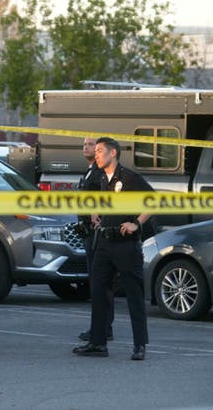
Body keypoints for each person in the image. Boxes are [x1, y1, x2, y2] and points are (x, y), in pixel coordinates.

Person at [73, 137, 153, 361]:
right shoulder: (102, 178)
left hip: (126, 244)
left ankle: (140, 345)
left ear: (113, 153)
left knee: (134, 295)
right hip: (104, 243)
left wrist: (136, 223)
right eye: (95, 151)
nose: (95, 155)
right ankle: (98, 343)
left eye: (99, 151)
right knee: (98, 292)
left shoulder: (129, 177)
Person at [75, 137, 114, 343]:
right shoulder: (90, 171)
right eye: (85, 145)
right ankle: (100, 326)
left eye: (92, 145)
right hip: (87, 232)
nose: (87, 148)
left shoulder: (100, 173)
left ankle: (103, 327)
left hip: (97, 233)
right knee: (95, 281)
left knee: (100, 282)